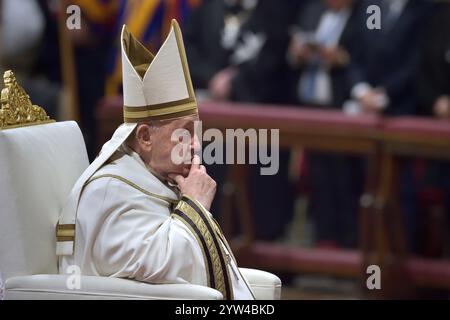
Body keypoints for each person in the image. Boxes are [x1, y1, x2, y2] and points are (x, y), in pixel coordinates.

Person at [56, 20, 254, 300]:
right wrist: (195, 205)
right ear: (146, 137)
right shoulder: (110, 191)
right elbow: (165, 271)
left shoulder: (160, 179)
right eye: (184, 133)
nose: (196, 145)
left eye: (196, 133)